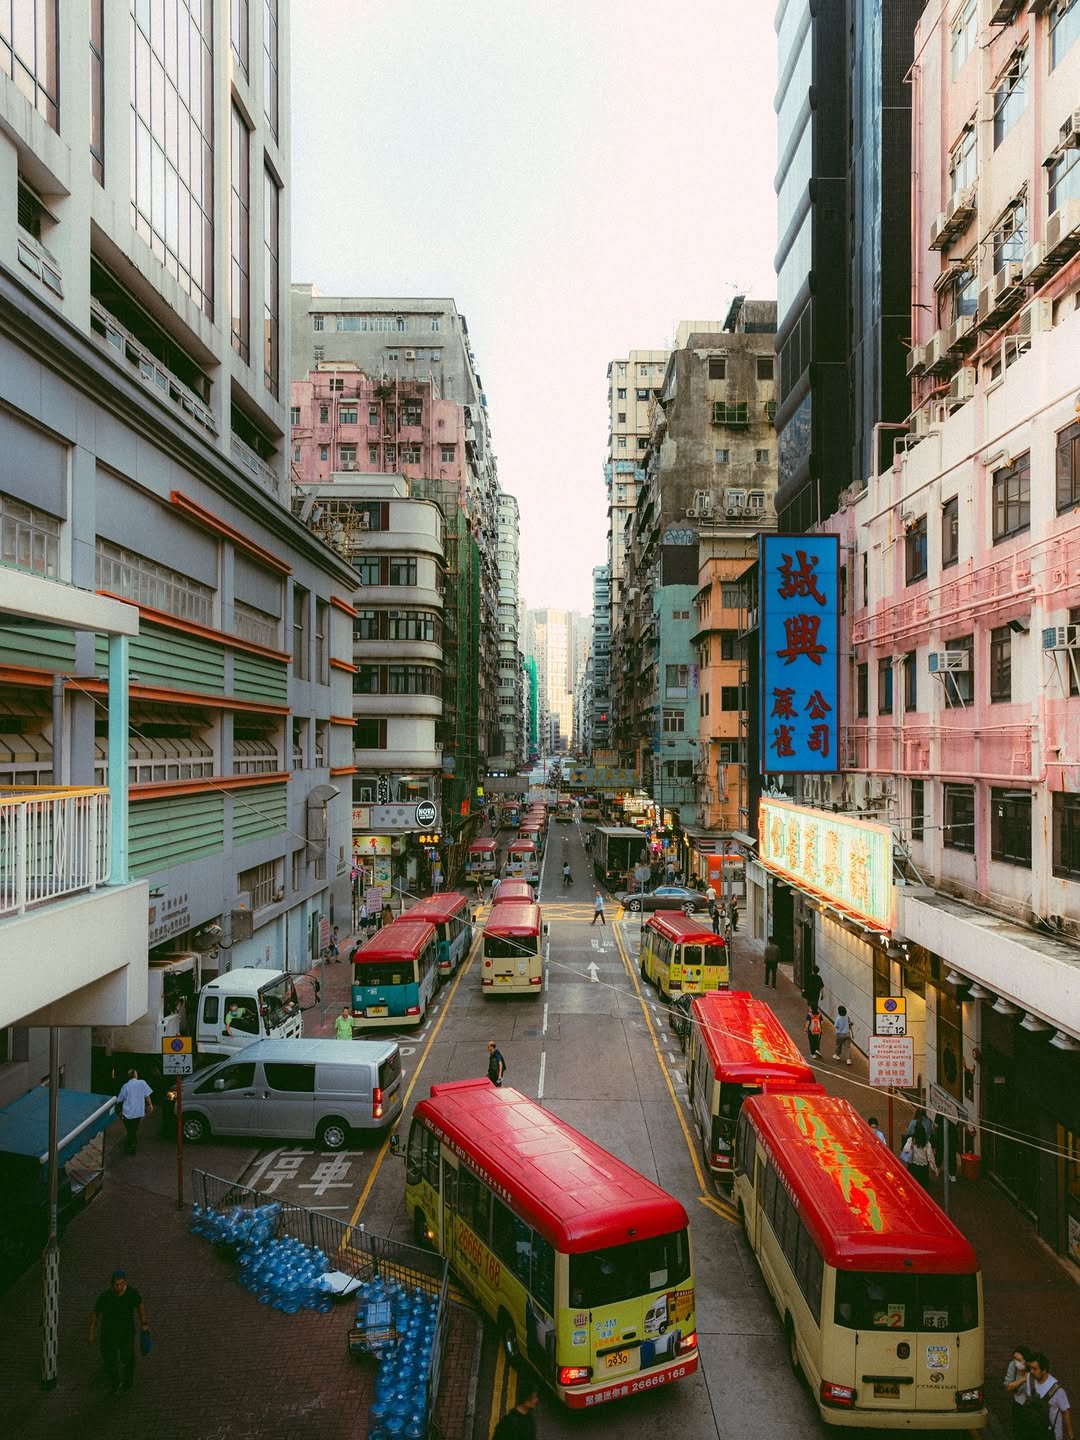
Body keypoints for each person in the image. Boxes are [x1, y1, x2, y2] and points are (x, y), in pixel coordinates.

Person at [89, 1269, 149, 1394]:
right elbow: (96, 1312)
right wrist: (91, 1332)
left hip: (126, 1333)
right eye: (117, 1284)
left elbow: (140, 1305)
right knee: (110, 1359)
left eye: (121, 1284)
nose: (119, 1287)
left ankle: (128, 1382)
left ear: (125, 1282)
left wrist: (144, 1324)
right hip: (109, 1334)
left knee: (127, 1357)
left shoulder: (131, 1293)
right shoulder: (106, 1296)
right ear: (112, 1284)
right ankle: (115, 1383)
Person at [1025, 1353, 1073, 1440]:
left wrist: (1071, 1436)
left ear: (1044, 1370)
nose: (1031, 1371)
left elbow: (1066, 1413)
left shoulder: (1058, 1390)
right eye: (1030, 1368)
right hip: (1033, 1431)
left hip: (1051, 1434)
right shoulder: (1030, 1378)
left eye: (1035, 1369)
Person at [116, 1070, 154, 1156]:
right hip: (138, 1111)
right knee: (133, 1129)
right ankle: (132, 1145)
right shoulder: (142, 1083)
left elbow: (120, 1099)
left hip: (127, 1112)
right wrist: (150, 1104)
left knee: (130, 1129)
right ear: (135, 1074)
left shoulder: (125, 1086)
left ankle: (131, 1145)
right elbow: (147, 1095)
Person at [1005, 1345, 1036, 1437]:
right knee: (1018, 1432)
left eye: (1019, 1360)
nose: (1016, 1362)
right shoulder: (1013, 1366)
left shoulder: (1034, 1369)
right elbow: (1008, 1386)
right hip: (1018, 1404)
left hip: (1032, 1406)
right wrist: (1023, 1379)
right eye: (1015, 1359)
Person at [900, 1119, 939, 1184]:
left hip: (912, 1167)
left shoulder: (911, 1140)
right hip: (923, 1169)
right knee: (923, 1186)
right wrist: (935, 1169)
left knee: (912, 1186)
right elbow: (930, 1158)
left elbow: (905, 1150)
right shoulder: (927, 1143)